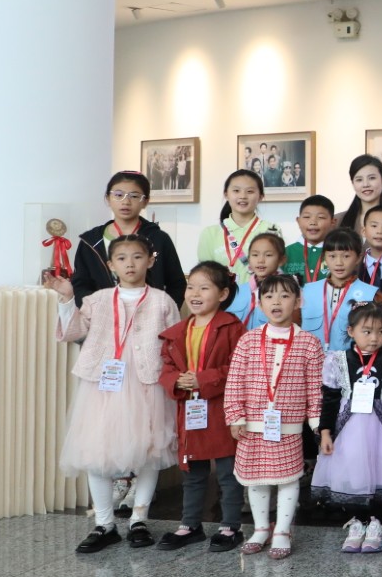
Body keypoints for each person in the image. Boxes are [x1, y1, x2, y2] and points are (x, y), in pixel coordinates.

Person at [48, 236, 183, 553]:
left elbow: (176, 344)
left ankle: (139, 519)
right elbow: (73, 332)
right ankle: (104, 523)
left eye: (137, 257)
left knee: (150, 448)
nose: (130, 264)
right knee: (97, 449)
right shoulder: (98, 299)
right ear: (111, 265)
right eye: (122, 258)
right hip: (103, 384)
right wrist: (67, 299)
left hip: (147, 382)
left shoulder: (163, 301)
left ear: (150, 261)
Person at [223, 273, 326, 560]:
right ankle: (260, 528)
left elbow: (316, 386)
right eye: (269, 296)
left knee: (288, 477)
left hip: (288, 425)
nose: (276, 302)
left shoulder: (309, 343)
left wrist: (316, 422)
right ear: (259, 303)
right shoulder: (248, 340)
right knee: (256, 478)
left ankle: (282, 530)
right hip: (252, 423)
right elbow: (235, 381)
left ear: (298, 301)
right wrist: (235, 416)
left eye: (284, 295)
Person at [155, 261, 247, 551]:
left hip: (221, 409)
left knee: (227, 471)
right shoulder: (177, 332)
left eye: (204, 288)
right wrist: (176, 380)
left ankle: (230, 526)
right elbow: (166, 367)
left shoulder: (232, 327)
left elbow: (240, 367)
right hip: (191, 408)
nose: (194, 294)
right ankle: (190, 524)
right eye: (191, 287)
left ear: (222, 294)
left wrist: (203, 379)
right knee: (192, 471)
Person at [313, 302, 382, 555]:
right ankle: (357, 521)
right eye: (367, 331)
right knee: (354, 470)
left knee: (381, 470)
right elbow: (330, 398)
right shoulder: (338, 360)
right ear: (351, 331)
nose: (374, 338)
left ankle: (378, 524)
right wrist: (325, 431)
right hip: (350, 427)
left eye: (381, 331)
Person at [70, 170, 185, 306]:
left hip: (151, 315)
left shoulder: (158, 238)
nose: (126, 202)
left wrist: (162, 311)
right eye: (118, 195)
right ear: (108, 198)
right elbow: (80, 285)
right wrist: (98, 310)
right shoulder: (91, 241)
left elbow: (177, 284)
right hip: (103, 314)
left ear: (145, 202)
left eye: (134, 196)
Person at [301, 229, 381, 352]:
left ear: (359, 258)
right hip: (310, 361)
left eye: (346, 256)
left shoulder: (371, 295)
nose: (339, 263)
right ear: (324, 257)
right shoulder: (307, 291)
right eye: (332, 256)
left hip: (351, 362)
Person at [197, 169, 283, 280]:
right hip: (223, 291)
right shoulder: (210, 233)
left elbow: (276, 270)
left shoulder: (271, 230)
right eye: (236, 191)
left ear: (260, 196)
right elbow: (205, 275)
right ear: (226, 194)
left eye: (250, 191)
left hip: (260, 291)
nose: (243, 196)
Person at [226, 233, 289, 331]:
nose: (260, 260)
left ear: (281, 260)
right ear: (249, 259)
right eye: (255, 255)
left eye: (268, 255)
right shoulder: (236, 292)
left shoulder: (289, 292)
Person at [285, 195, 336, 284]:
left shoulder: (339, 252)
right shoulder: (285, 253)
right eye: (307, 217)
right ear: (298, 221)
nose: (313, 222)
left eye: (321, 217)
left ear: (333, 222)